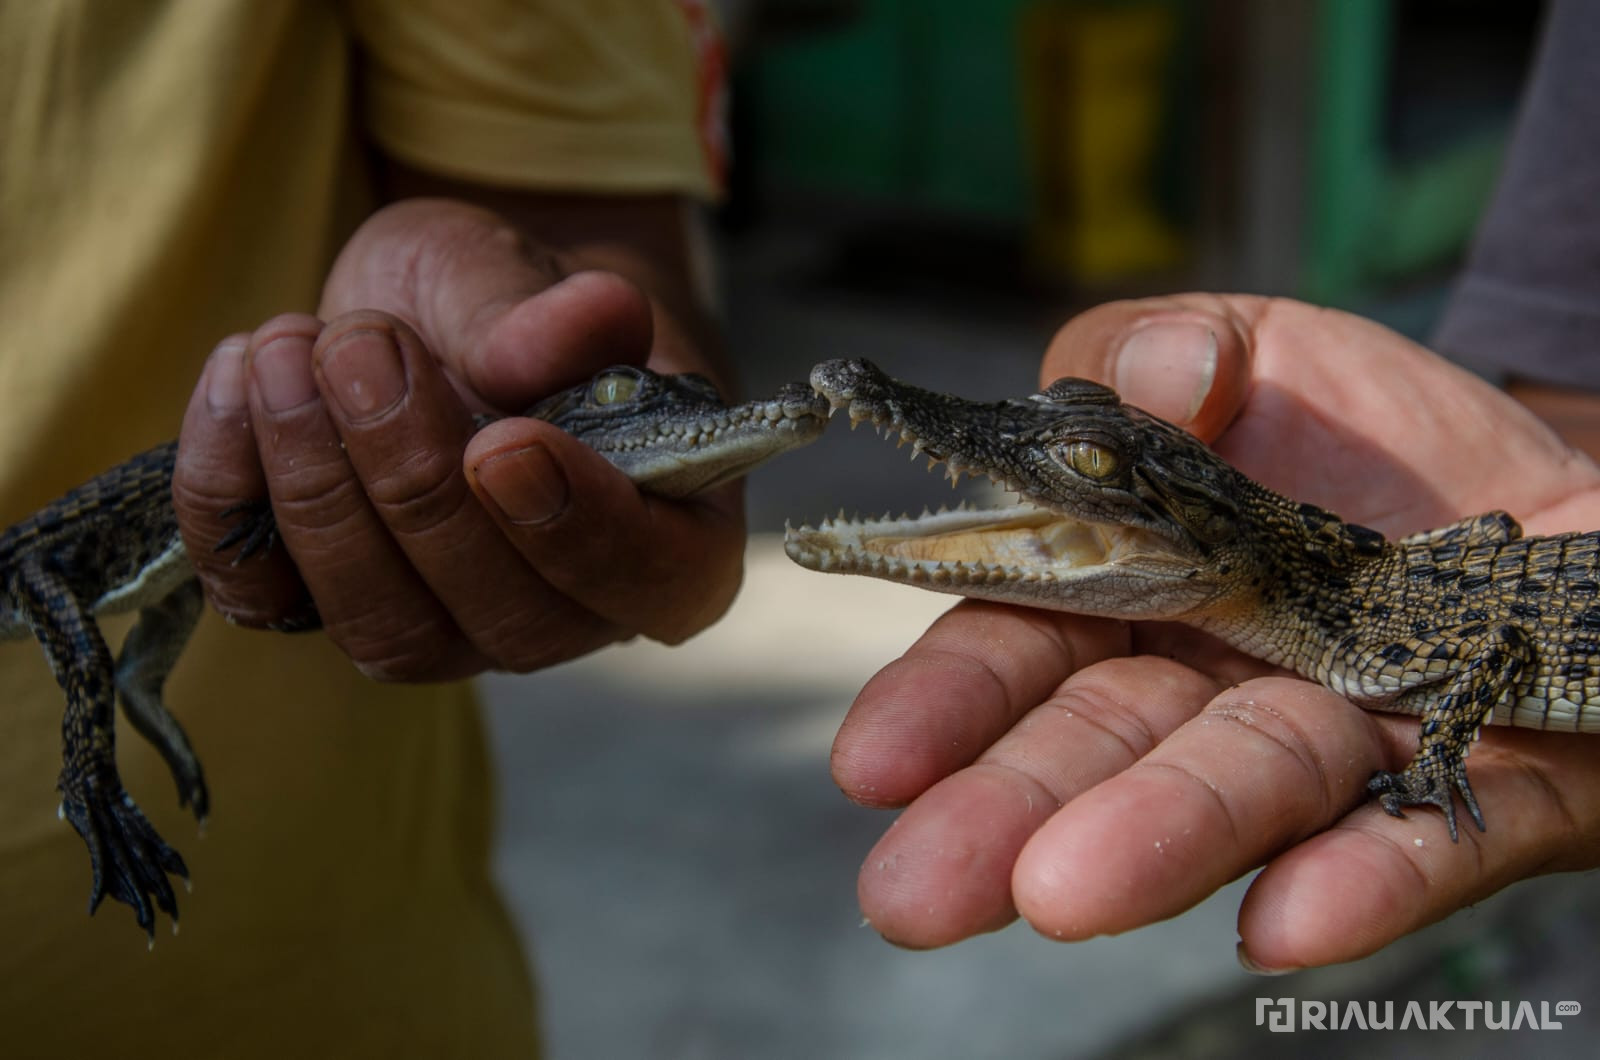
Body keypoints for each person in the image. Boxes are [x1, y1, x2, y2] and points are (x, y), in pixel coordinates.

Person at [2, 1, 731, 1053]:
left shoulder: (474, 419)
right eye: (621, 396)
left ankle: (143, 698)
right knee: (100, 634)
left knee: (178, 598)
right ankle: (91, 789)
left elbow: (593, 224)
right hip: (45, 563)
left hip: (355, 986)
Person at [830, 0, 1600, 974]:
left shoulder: (1367, 632)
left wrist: (1436, 762)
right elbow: (1510, 510)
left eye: (1087, 460)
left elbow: (1495, 644)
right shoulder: (1358, 598)